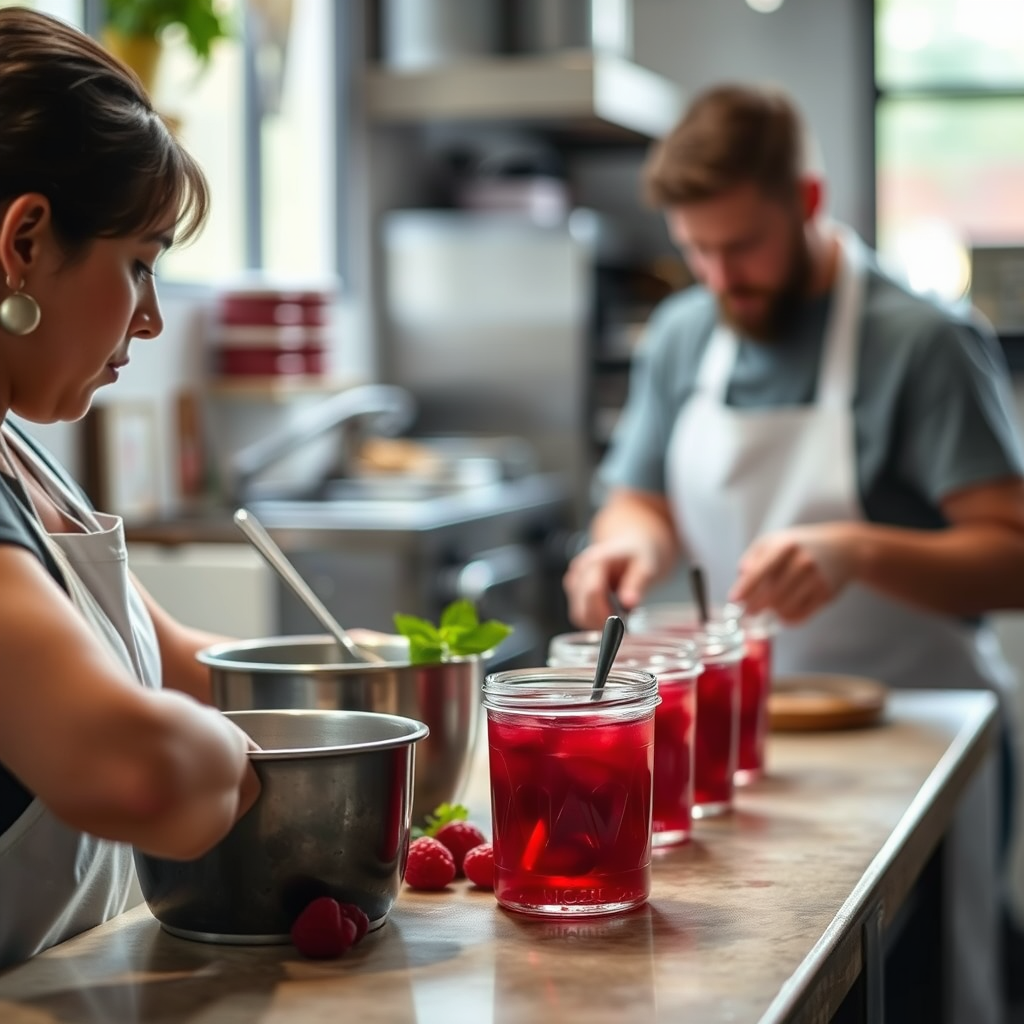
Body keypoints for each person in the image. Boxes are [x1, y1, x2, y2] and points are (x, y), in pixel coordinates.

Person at [563, 83, 1024, 1023]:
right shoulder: (687, 333)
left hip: (917, 736)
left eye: (742, 247)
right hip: (755, 753)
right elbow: (638, 501)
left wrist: (856, 550)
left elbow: (1014, 554)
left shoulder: (922, 342)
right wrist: (625, 550)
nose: (720, 276)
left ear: (808, 204)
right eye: (696, 248)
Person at [0, 8, 259, 968]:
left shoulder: (16, 451)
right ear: (24, 242)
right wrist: (254, 769)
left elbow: (180, 663)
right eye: (139, 265)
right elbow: (139, 772)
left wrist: (358, 680)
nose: (150, 319)